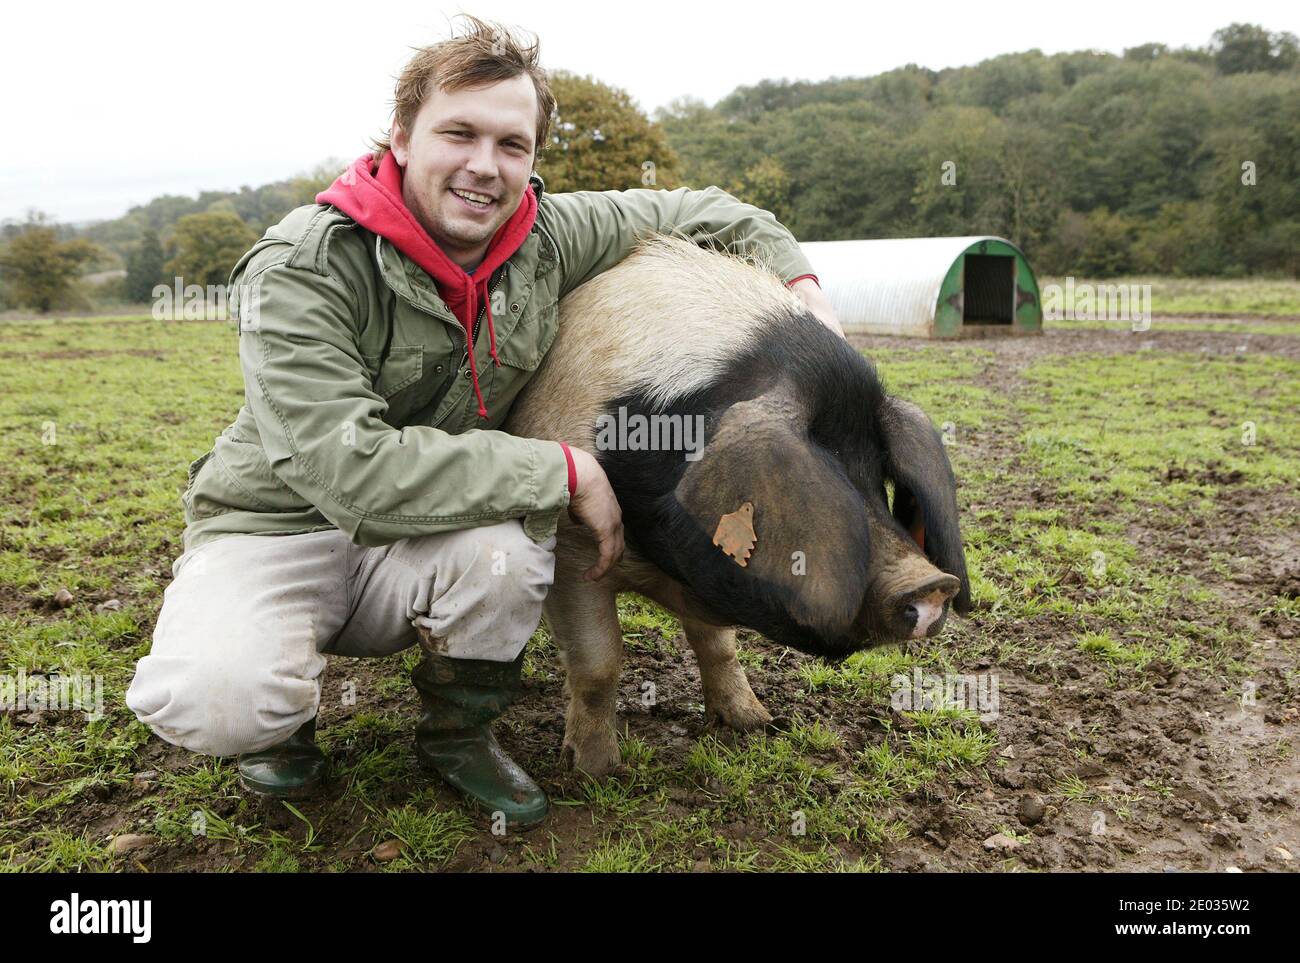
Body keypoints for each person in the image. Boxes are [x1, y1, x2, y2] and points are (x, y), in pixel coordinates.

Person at [125, 14, 843, 828]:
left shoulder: (546, 236)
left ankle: (456, 731)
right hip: (280, 528)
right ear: (400, 136)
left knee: (509, 556)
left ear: (534, 157)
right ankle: (276, 725)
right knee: (220, 697)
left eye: (512, 144)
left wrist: (802, 284)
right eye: (457, 133)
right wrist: (560, 469)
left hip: (430, 528)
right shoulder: (304, 269)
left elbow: (707, 207)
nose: (484, 167)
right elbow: (349, 473)